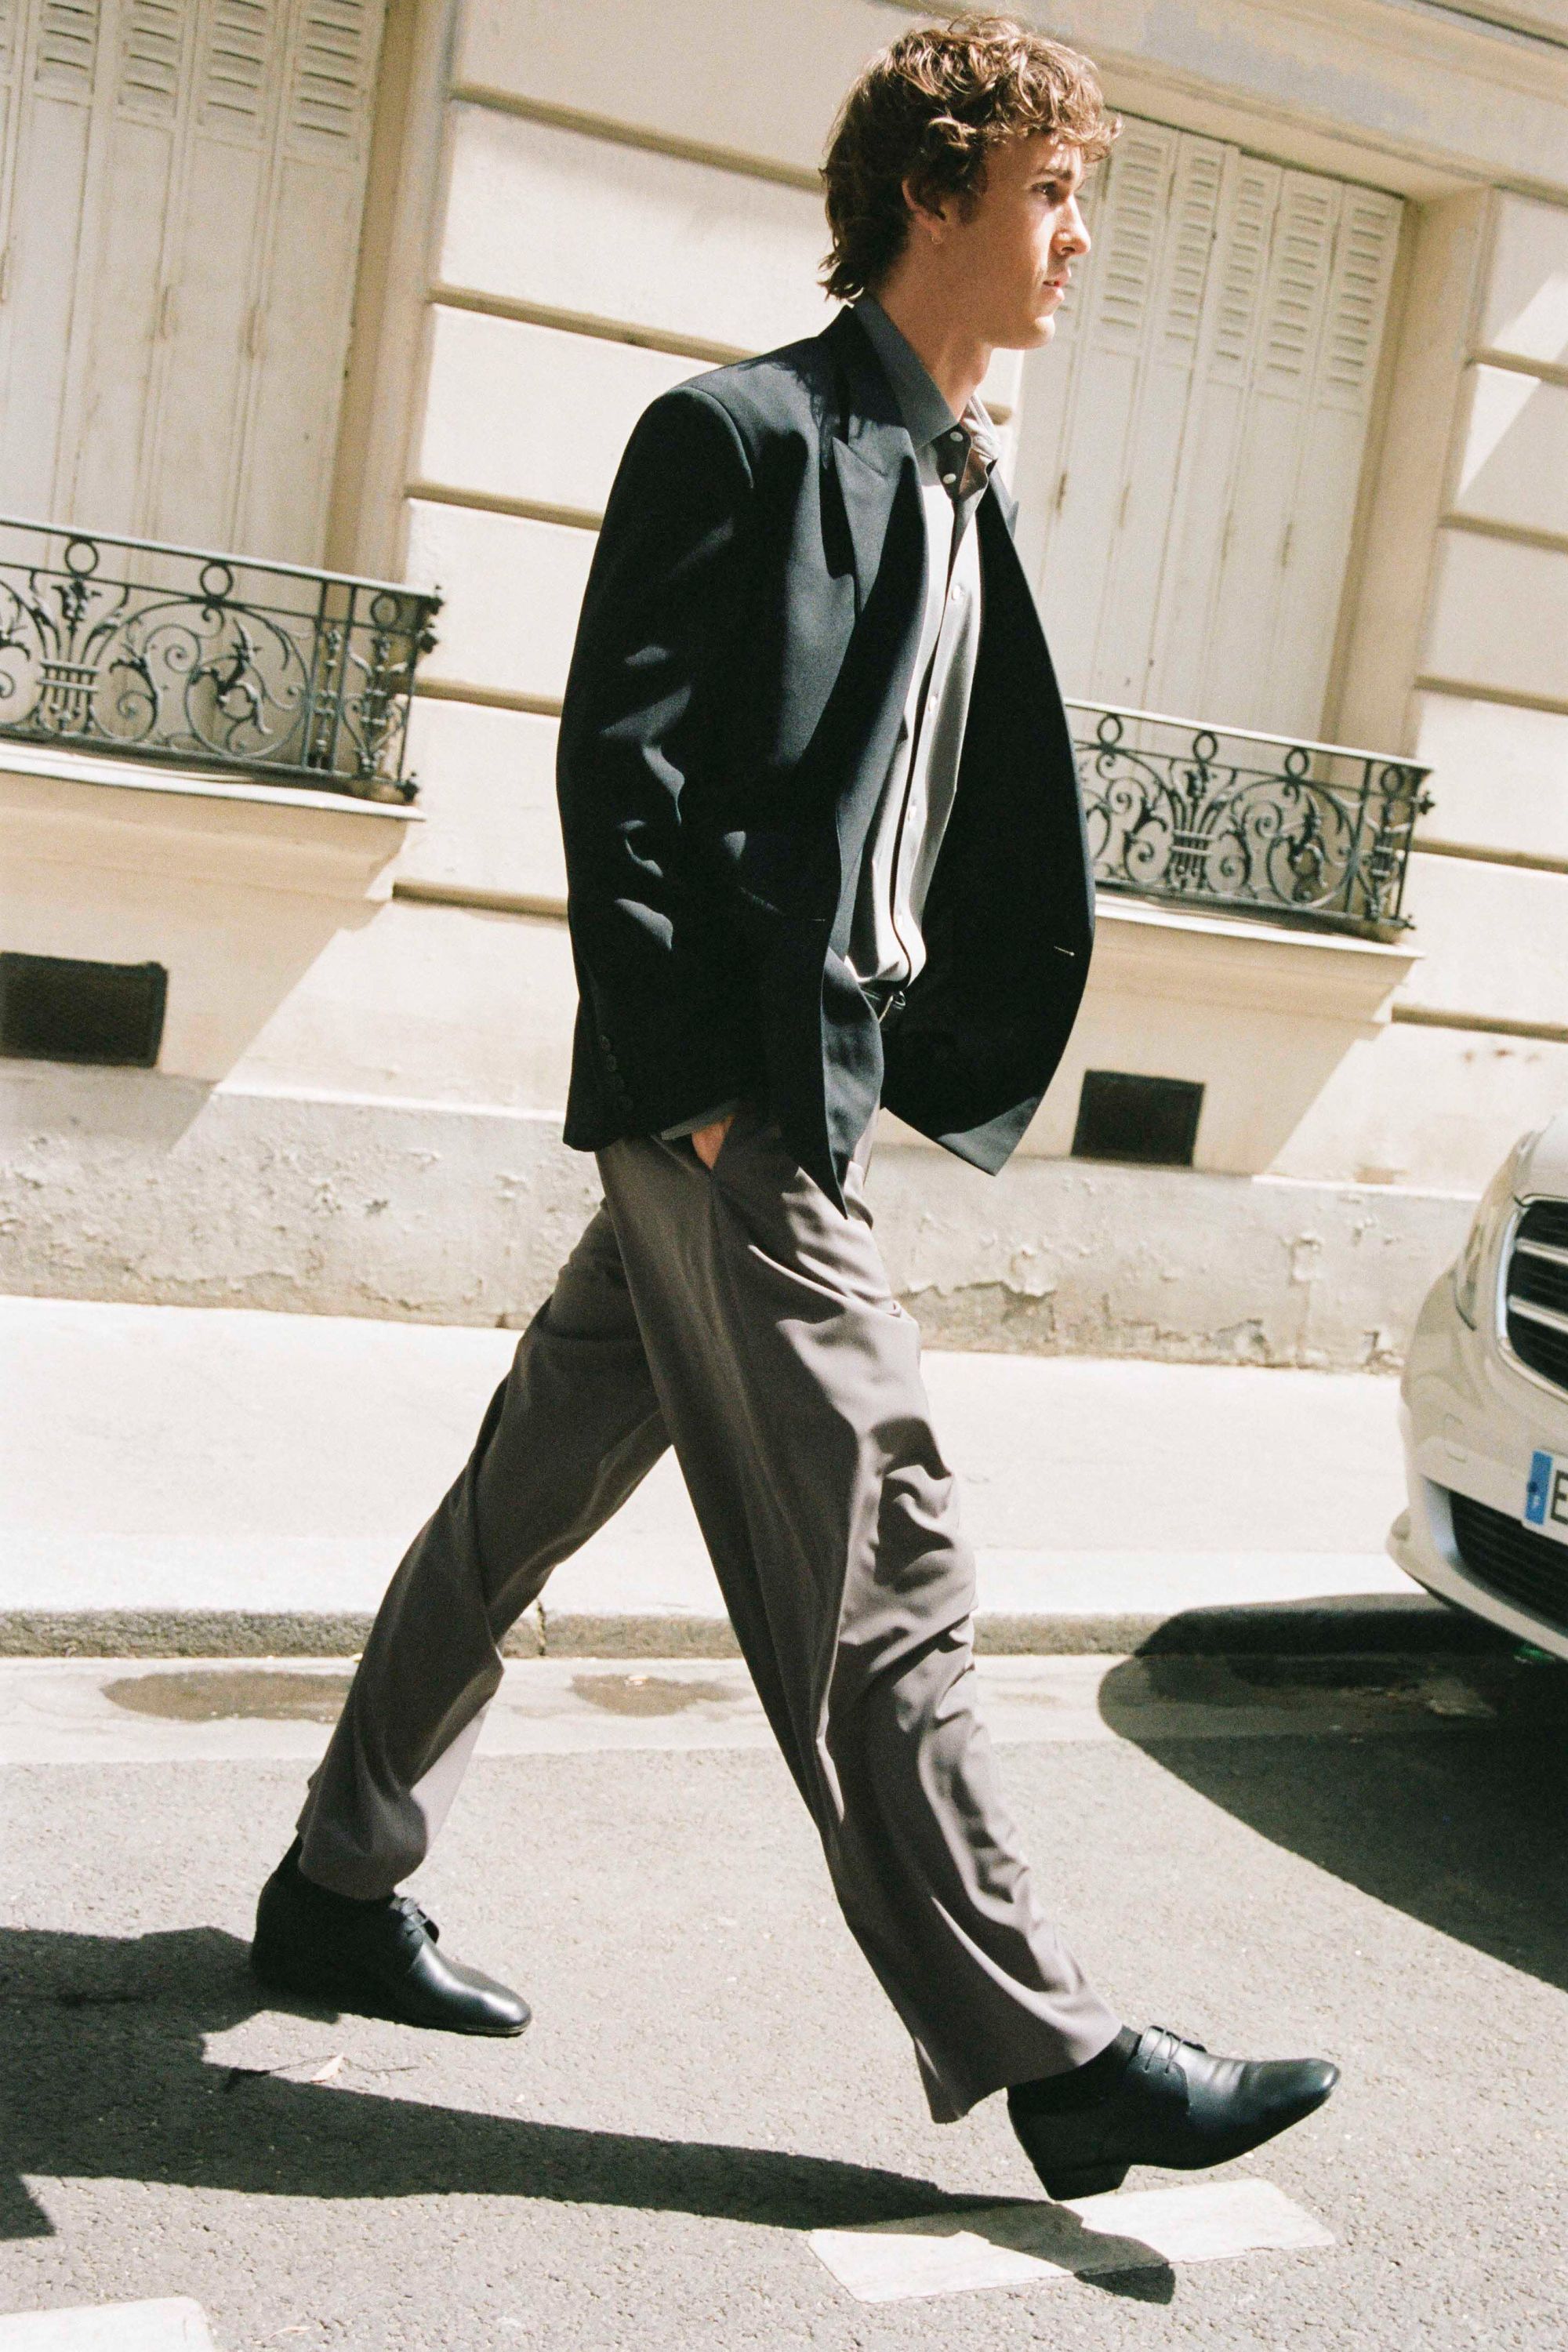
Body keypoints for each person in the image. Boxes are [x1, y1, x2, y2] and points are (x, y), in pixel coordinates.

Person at [252, 16, 1337, 2201]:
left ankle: (336, 1885)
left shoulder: (954, 476)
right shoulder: (742, 436)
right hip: (728, 1104)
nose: (1081, 237)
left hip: (804, 1086)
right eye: (1049, 191)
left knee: (520, 1501)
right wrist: (703, 1101)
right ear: (934, 192)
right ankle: (1058, 2052)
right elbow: (624, 776)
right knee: (886, 1550)